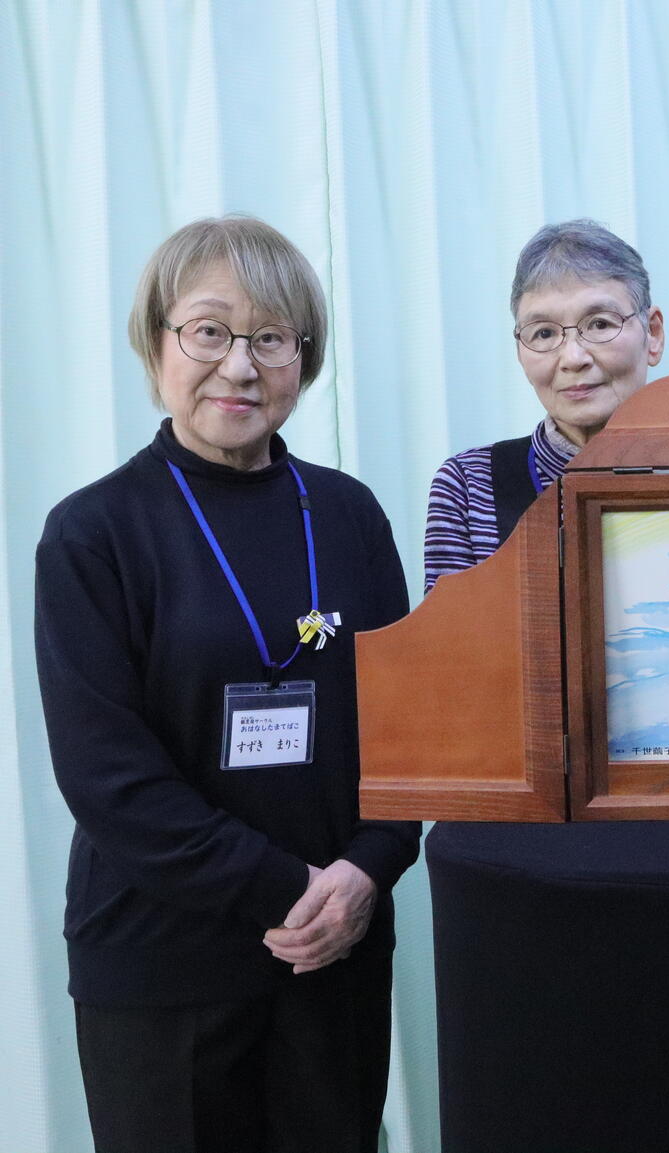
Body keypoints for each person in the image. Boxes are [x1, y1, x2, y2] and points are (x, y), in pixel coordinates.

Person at [34, 216, 420, 1153]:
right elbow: (108, 778)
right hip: (163, 965)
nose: (240, 367)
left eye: (271, 338)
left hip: (333, 953)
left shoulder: (349, 515)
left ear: (303, 357)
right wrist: (290, 888)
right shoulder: (94, 532)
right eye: (210, 331)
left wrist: (368, 870)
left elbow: (413, 733)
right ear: (156, 341)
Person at [424, 219, 664, 591]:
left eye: (600, 324)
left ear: (654, 335)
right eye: (544, 333)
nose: (573, 358)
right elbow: (450, 628)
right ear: (520, 351)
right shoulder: (470, 485)